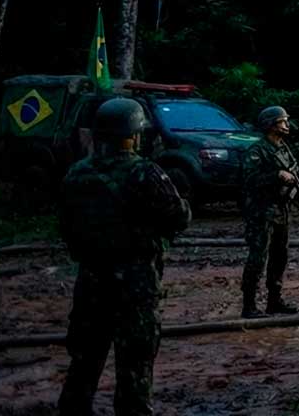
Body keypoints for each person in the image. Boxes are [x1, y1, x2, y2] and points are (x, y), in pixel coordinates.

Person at [59, 97, 191, 416]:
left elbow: (67, 227)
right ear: (132, 134)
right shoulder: (143, 172)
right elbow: (179, 216)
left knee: (84, 362)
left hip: (90, 282)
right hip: (135, 286)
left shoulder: (76, 174)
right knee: (134, 367)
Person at [240, 105, 299, 319]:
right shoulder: (257, 151)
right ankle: (249, 305)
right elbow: (250, 181)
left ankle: (274, 301)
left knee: (280, 256)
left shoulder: (283, 148)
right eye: (281, 122)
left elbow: (293, 171)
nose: (286, 125)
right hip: (261, 212)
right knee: (258, 258)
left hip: (280, 209)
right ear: (270, 125)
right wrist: (277, 175)